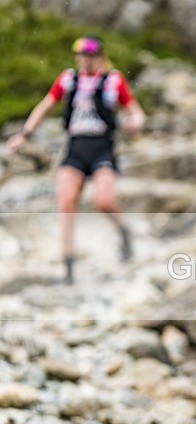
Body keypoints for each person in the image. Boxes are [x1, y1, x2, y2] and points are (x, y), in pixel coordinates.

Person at [6, 35, 145, 284]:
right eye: (82, 56)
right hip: (75, 148)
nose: (86, 61)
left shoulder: (113, 81)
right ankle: (68, 268)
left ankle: (124, 231)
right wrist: (24, 135)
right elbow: (45, 106)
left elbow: (135, 110)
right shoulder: (68, 80)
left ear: (101, 58)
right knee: (66, 204)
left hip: (103, 147)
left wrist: (136, 122)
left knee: (104, 200)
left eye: (91, 57)